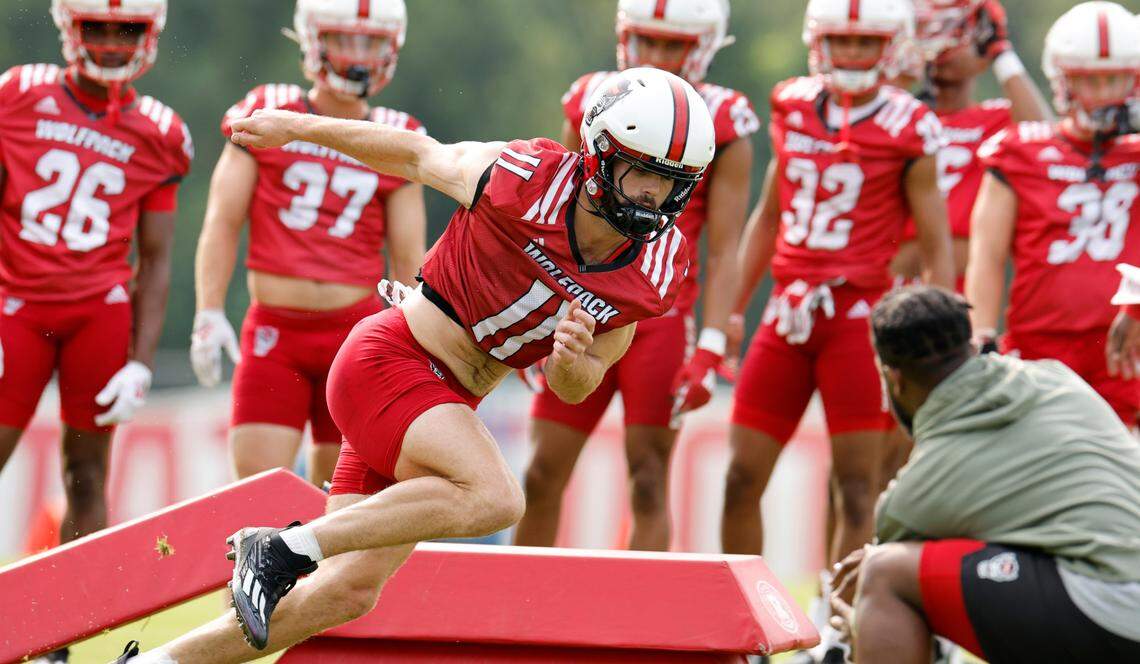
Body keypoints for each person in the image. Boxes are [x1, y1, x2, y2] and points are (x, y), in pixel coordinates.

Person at [117, 67, 715, 663]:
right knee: (496, 497)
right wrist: (295, 129)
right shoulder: (522, 179)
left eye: (672, 184)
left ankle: (156, 663)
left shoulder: (657, 267)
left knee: (347, 591)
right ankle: (281, 547)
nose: (652, 198)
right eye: (643, 173)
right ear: (600, 155)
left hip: (438, 408)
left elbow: (581, 385)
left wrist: (571, 357)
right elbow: (412, 154)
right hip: (391, 359)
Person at [724, 0, 953, 660]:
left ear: (892, 46)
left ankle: (842, 630)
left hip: (859, 314)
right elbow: (769, 216)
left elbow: (935, 242)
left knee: (857, 485)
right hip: (789, 311)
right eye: (841, 39)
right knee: (741, 476)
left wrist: (941, 335)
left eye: (865, 40)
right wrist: (734, 310)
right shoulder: (792, 102)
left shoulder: (911, 125)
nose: (851, 53)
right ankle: (744, 633)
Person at [515, 0, 758, 552]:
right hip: (582, 306)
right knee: (539, 473)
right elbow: (556, 212)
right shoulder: (592, 97)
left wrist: (712, 343)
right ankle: (521, 623)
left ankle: (636, 634)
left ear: (703, 47)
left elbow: (724, 248)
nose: (656, 56)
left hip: (659, 315)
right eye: (646, 40)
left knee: (648, 480)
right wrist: (534, 316)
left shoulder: (723, 119)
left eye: (673, 45)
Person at [0, 4, 190, 661]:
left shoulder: (161, 132)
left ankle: (65, 639)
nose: (112, 43)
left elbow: (157, 257)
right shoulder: (18, 95)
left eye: (127, 30)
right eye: (98, 28)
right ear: (69, 28)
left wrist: (139, 359)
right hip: (15, 304)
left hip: (97, 315)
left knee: (87, 477)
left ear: (150, 32)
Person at [827, 285, 1140, 664]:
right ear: (972, 345)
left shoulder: (918, 491)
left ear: (893, 379)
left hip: (1113, 611)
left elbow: (881, 563)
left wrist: (860, 628)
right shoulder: (1057, 379)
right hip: (1108, 596)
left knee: (882, 572)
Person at [190, 0, 426, 488]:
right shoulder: (269, 110)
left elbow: (408, 259)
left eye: (372, 42)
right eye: (346, 39)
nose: (359, 54)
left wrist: (414, 345)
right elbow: (222, 218)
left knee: (336, 503)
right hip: (277, 330)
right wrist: (208, 310)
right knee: (258, 498)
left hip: (355, 333)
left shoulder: (396, 135)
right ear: (314, 39)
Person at [965, 0, 1140, 426]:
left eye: (1114, 80)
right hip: (1039, 349)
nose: (1101, 95)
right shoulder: (1020, 151)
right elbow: (985, 255)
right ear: (1062, 80)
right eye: (1088, 81)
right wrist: (982, 340)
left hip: (1126, 350)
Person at [891, 0, 1052, 289]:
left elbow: (1045, 143)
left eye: (956, 32)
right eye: (928, 30)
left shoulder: (997, 119)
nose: (941, 47)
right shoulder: (896, 115)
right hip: (888, 285)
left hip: (963, 290)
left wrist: (1000, 52)